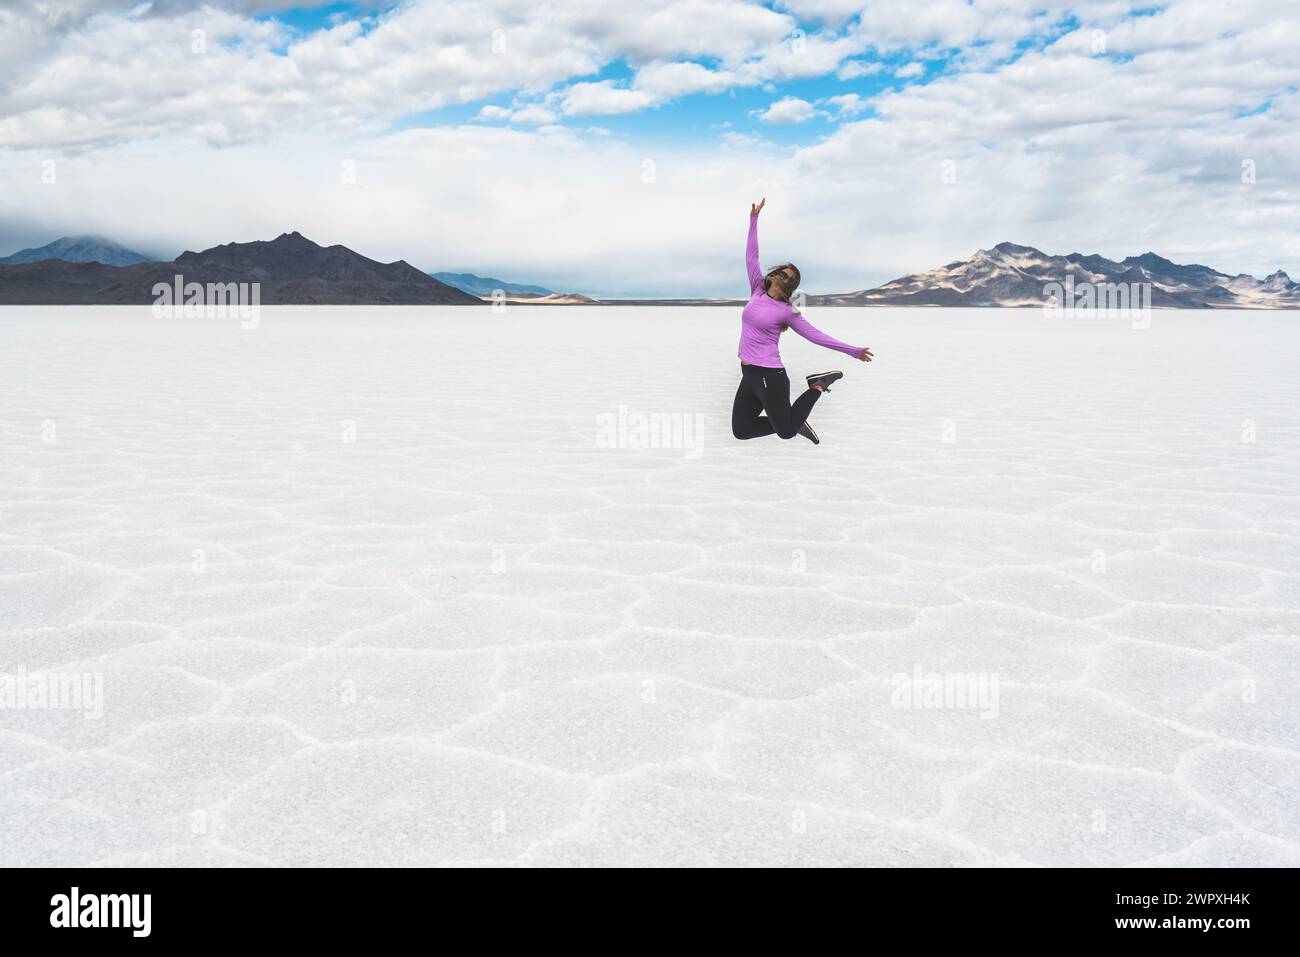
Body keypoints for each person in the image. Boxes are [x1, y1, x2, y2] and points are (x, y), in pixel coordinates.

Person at [731, 197, 873, 445]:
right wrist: (754, 220)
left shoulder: (786, 311)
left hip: (769, 374)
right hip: (749, 372)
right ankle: (793, 420)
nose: (784, 277)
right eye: (783, 273)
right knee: (742, 430)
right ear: (775, 275)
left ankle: (817, 386)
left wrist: (853, 351)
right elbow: (751, 258)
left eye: (791, 278)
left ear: (791, 286)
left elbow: (815, 335)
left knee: (785, 431)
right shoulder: (757, 289)